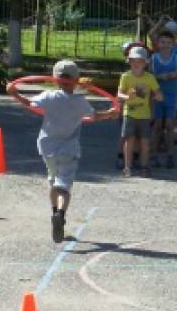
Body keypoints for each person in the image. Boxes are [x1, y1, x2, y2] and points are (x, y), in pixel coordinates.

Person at [7, 60, 119, 241]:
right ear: (76, 80)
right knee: (64, 186)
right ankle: (60, 214)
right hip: (68, 149)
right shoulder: (79, 101)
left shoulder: (49, 96)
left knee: (53, 181)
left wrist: (14, 93)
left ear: (54, 79)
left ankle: (54, 212)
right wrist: (111, 113)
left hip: (47, 147)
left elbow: (29, 103)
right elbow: (95, 116)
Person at [117, 46, 163, 177]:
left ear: (145, 63)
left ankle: (144, 166)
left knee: (145, 141)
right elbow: (119, 95)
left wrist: (158, 96)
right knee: (129, 140)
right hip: (129, 113)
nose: (137, 64)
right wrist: (128, 97)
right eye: (134, 61)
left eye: (140, 61)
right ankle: (127, 167)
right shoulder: (125, 77)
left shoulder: (150, 78)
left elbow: (159, 94)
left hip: (144, 115)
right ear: (129, 62)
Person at [150, 28, 177, 167]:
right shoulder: (154, 58)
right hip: (157, 94)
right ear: (158, 43)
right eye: (162, 42)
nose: (165, 45)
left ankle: (170, 155)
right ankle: (153, 155)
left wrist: (171, 76)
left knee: (170, 125)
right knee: (157, 125)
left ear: (173, 44)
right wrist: (160, 77)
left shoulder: (176, 58)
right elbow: (151, 76)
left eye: (168, 42)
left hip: (172, 95)